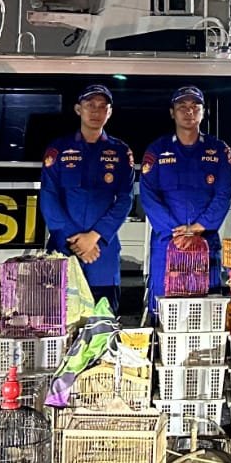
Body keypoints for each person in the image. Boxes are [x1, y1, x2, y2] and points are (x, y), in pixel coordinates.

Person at [139, 87, 231, 313]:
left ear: (203, 112)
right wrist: (178, 231)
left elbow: (224, 193)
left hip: (205, 240)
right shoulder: (157, 150)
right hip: (168, 240)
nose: (188, 112)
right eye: (182, 107)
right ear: (172, 112)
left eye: (195, 107)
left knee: (206, 305)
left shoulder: (219, 150)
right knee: (164, 305)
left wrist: (198, 228)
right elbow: (149, 195)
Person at [40, 86, 135, 311]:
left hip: (102, 249)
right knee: (58, 317)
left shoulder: (121, 152)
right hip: (64, 246)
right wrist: (74, 239)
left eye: (103, 106)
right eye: (90, 105)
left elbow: (124, 200)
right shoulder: (58, 149)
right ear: (78, 109)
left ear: (109, 113)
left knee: (102, 318)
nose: (96, 111)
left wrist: (93, 237)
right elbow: (49, 197)